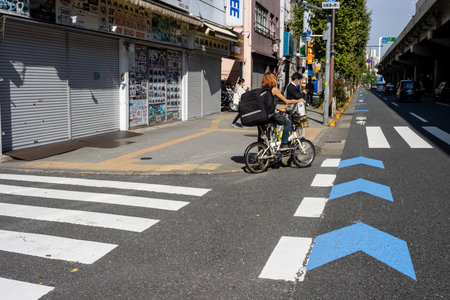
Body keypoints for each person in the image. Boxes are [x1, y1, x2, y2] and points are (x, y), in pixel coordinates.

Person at [262, 72, 305, 149]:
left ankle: (262, 149)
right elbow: (286, 101)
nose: (276, 80)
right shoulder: (274, 89)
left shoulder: (262, 90)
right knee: (287, 122)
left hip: (262, 114)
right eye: (275, 79)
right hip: (270, 115)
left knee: (262, 135)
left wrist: (278, 108)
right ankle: (284, 143)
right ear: (271, 80)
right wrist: (298, 101)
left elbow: (267, 103)